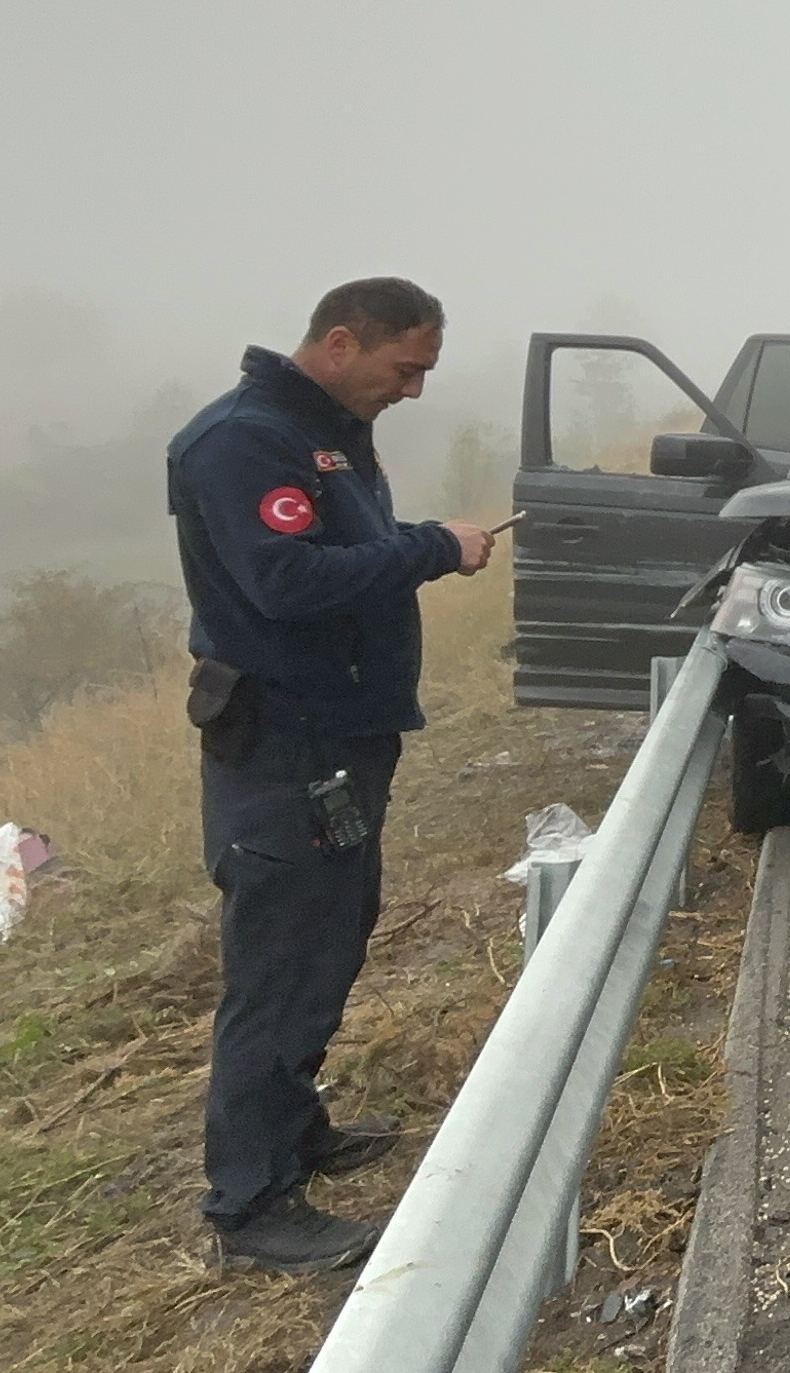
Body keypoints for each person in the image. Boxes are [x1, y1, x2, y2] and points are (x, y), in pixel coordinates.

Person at [167, 277, 495, 1272]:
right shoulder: (243, 441)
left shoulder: (323, 431)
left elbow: (338, 548)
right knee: (281, 963)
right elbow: (286, 580)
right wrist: (433, 549)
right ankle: (252, 1202)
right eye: (406, 369)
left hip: (341, 736)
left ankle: (295, 1128)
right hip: (285, 746)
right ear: (343, 343)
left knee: (330, 936)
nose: (414, 391)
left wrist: (411, 544)